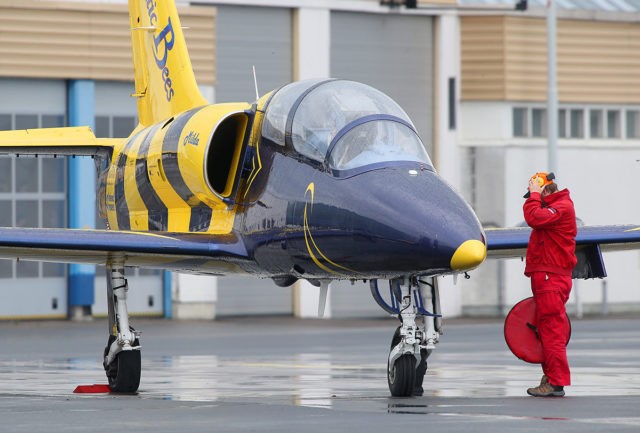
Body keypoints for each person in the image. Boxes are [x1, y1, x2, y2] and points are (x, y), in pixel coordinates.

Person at [523, 172, 577, 397]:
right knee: (546, 330)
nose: (533, 199)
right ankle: (552, 377)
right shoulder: (556, 207)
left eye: (536, 194)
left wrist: (534, 196)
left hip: (551, 278)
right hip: (547, 277)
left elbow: (534, 218)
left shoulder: (561, 207)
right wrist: (535, 197)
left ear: (545, 191)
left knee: (552, 331)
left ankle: (556, 382)